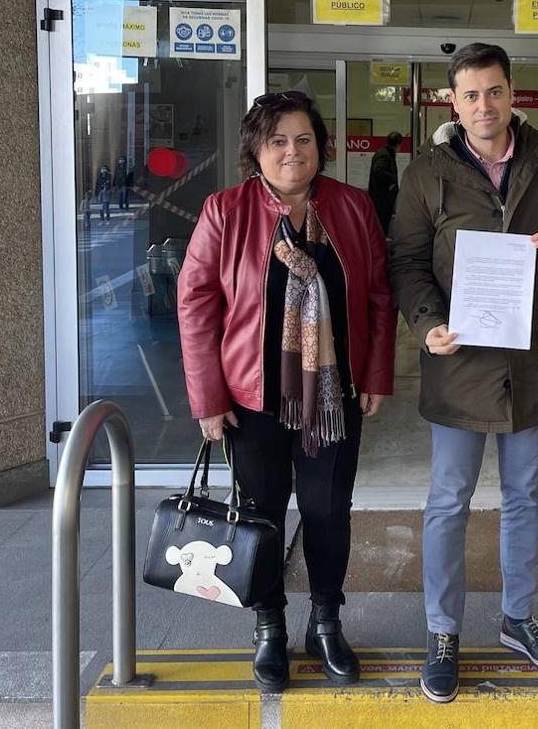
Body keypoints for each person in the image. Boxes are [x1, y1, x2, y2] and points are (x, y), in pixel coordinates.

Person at [389, 42, 538, 704]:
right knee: (449, 502)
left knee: (524, 500)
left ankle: (517, 619)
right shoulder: (426, 172)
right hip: (460, 366)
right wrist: (425, 324)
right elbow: (407, 262)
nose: (484, 105)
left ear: (513, 94)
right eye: (470, 94)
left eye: (495, 91)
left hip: (534, 364)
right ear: (453, 101)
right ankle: (443, 631)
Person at [177, 91, 395, 692]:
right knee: (263, 515)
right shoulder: (225, 211)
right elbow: (195, 305)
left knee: (328, 514)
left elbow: (378, 295)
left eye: (303, 139)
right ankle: (268, 624)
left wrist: (375, 375)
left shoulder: (351, 208)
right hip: (253, 400)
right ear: (256, 150)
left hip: (331, 398)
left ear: (321, 146)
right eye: (277, 141)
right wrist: (209, 397)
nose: (292, 152)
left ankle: (326, 621)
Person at [368, 131, 403, 236]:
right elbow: (379, 170)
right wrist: (392, 181)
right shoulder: (385, 155)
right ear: (398, 144)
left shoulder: (383, 153)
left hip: (381, 198)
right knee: (381, 226)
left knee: (381, 225)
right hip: (382, 198)